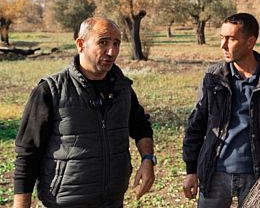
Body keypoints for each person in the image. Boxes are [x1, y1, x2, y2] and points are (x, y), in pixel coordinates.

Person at [13, 17, 156, 208]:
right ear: (81, 44)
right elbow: (27, 152)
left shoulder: (123, 89)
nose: (111, 51)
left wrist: (147, 159)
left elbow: (141, 127)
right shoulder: (51, 91)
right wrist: (21, 204)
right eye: (103, 42)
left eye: (116, 43)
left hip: (112, 202)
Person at [182, 13, 260, 208]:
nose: (223, 45)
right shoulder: (213, 77)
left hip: (259, 176)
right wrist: (191, 170)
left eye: (231, 39)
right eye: (221, 37)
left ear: (250, 42)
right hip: (214, 173)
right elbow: (196, 125)